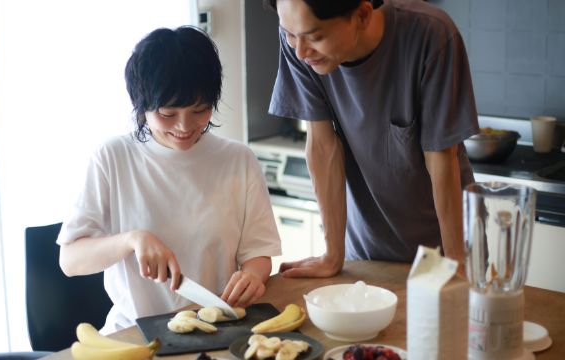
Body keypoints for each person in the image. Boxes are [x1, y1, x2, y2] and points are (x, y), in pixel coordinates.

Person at [57, 25, 281, 333]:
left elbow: (258, 254)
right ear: (142, 106)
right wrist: (132, 240)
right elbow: (70, 260)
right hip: (134, 332)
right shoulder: (112, 157)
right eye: (167, 114)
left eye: (199, 110)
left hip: (215, 328)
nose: (184, 127)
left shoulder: (238, 160)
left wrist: (254, 276)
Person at [264, 0, 478, 278]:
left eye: (315, 37)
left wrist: (456, 263)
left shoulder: (431, 34)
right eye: (290, 34)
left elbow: (441, 158)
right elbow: (322, 147)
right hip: (364, 255)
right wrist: (332, 255)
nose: (301, 51)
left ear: (362, 15)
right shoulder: (299, 44)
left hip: (442, 253)